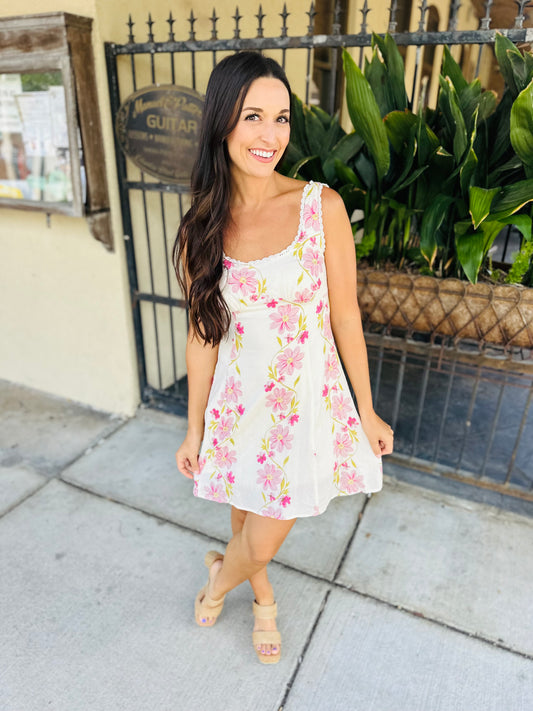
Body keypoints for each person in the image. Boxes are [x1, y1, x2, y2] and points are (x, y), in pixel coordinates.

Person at [174, 51, 393, 665]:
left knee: (261, 539)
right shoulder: (202, 226)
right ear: (222, 123)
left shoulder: (321, 207)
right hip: (237, 404)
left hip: (303, 409)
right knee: (246, 518)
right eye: (253, 117)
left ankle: (219, 580)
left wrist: (367, 410)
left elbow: (345, 316)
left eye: (281, 118)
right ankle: (263, 600)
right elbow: (203, 335)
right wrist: (193, 427)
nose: (270, 135)